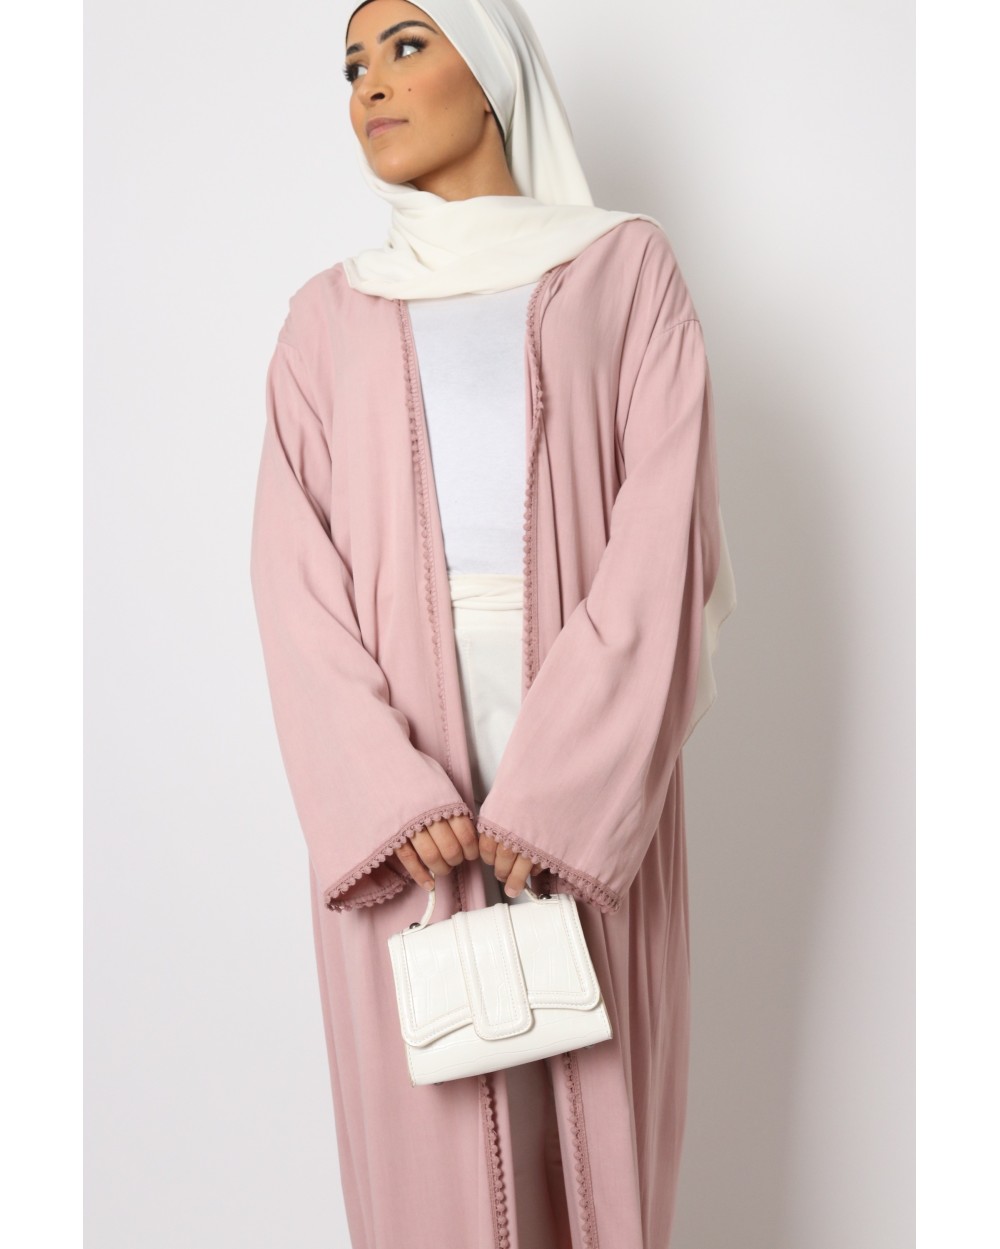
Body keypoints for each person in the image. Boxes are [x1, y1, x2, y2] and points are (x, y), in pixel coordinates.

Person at [249, 0, 738, 1246]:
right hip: (402, 755)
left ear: (495, 75)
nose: (370, 84)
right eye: (352, 65)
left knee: (595, 1103)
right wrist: (381, 792)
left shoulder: (622, 269)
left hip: (583, 733)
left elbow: (663, 537)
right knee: (428, 1128)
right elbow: (291, 580)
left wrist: (567, 786)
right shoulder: (324, 318)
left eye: (407, 47)